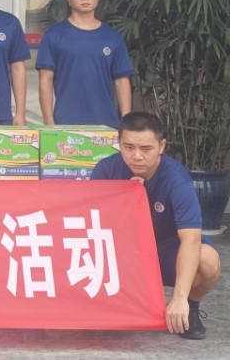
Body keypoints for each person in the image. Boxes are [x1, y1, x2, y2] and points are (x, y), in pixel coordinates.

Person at [92, 111, 221, 339]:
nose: (137, 156)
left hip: (166, 252)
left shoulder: (177, 179)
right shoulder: (105, 171)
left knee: (209, 260)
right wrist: (124, 200)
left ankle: (188, 308)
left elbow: (190, 239)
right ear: (119, 143)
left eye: (146, 149)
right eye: (129, 147)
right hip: (123, 253)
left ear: (161, 146)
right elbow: (91, 226)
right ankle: (115, 305)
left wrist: (180, 297)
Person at [37, 0, 133, 127]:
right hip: (65, 124)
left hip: (106, 125)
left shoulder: (112, 37)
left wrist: (126, 122)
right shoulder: (53, 35)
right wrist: (48, 121)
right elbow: (45, 80)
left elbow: (122, 81)